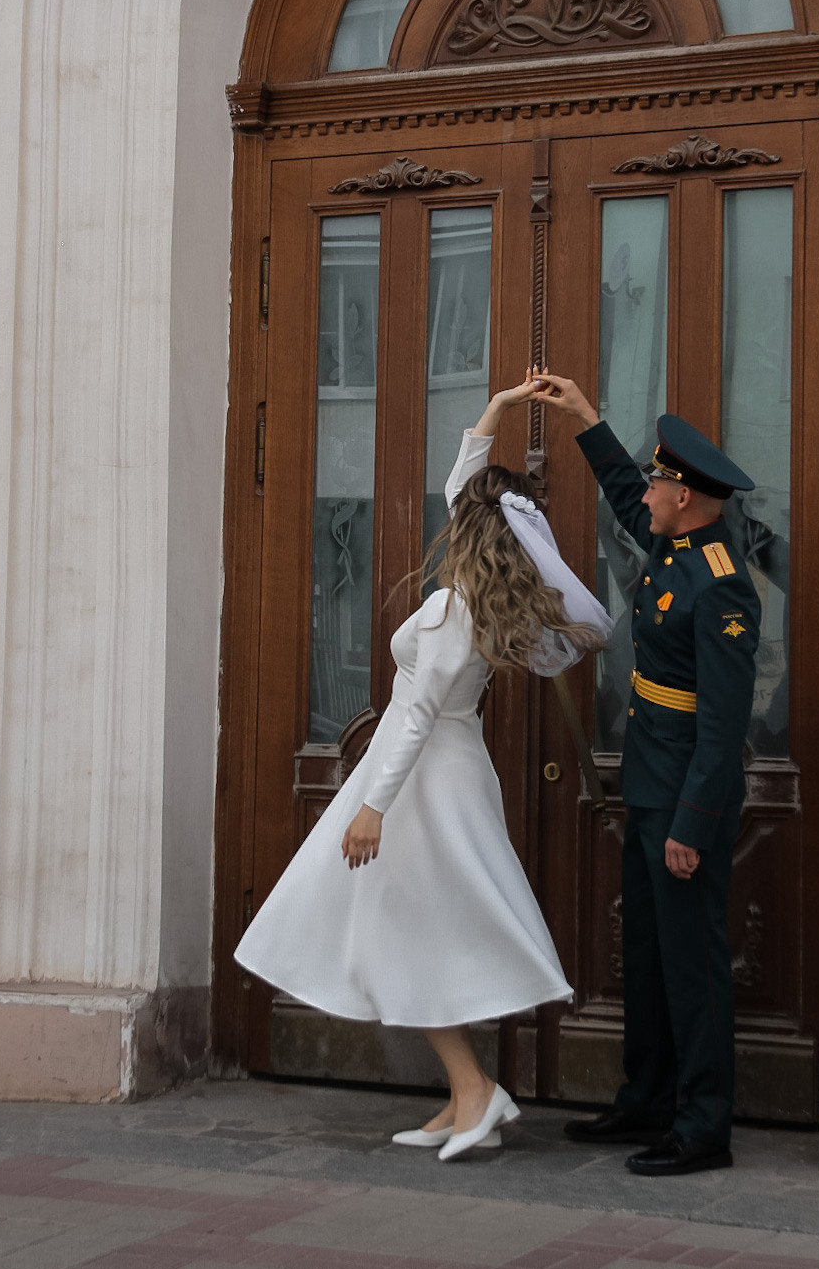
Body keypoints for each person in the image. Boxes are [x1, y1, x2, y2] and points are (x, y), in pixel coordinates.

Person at [235, 378, 610, 1163]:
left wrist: (371, 806)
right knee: (415, 926)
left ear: (467, 530)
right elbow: (460, 484)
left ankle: (473, 1088)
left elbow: (410, 718)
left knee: (409, 927)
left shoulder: (449, 610)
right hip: (448, 770)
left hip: (422, 782)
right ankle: (465, 1091)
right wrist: (499, 411)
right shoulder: (480, 599)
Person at [534, 373, 761, 1176]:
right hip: (648, 783)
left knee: (691, 964)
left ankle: (702, 1126)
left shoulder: (721, 584)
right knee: (649, 952)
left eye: (664, 480)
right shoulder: (675, 543)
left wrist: (694, 825)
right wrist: (585, 418)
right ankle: (647, 1098)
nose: (652, 489)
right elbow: (626, 493)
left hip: (683, 800)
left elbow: (723, 725)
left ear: (691, 499)